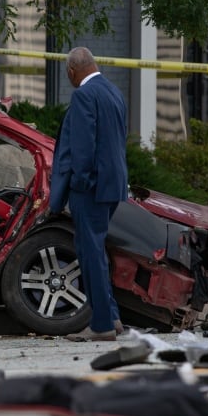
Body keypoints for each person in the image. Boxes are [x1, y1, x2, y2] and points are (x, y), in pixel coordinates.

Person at [48, 47, 128, 342]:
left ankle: (102, 325)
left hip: (90, 188)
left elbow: (82, 148)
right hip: (113, 186)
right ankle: (112, 316)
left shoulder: (83, 96)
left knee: (90, 253)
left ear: (71, 71)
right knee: (97, 251)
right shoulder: (113, 92)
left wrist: (79, 184)